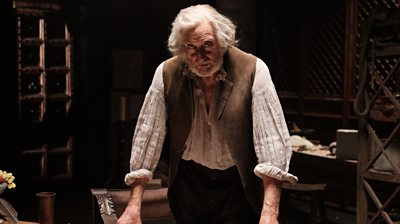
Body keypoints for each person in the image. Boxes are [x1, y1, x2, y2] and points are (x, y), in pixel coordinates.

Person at [118, 4, 297, 224]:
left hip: (236, 184)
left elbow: (271, 144)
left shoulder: (253, 70)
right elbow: (148, 136)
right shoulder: (166, 72)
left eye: (207, 45)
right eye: (191, 47)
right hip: (188, 182)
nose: (199, 56)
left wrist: (270, 212)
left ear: (223, 41)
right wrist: (134, 206)